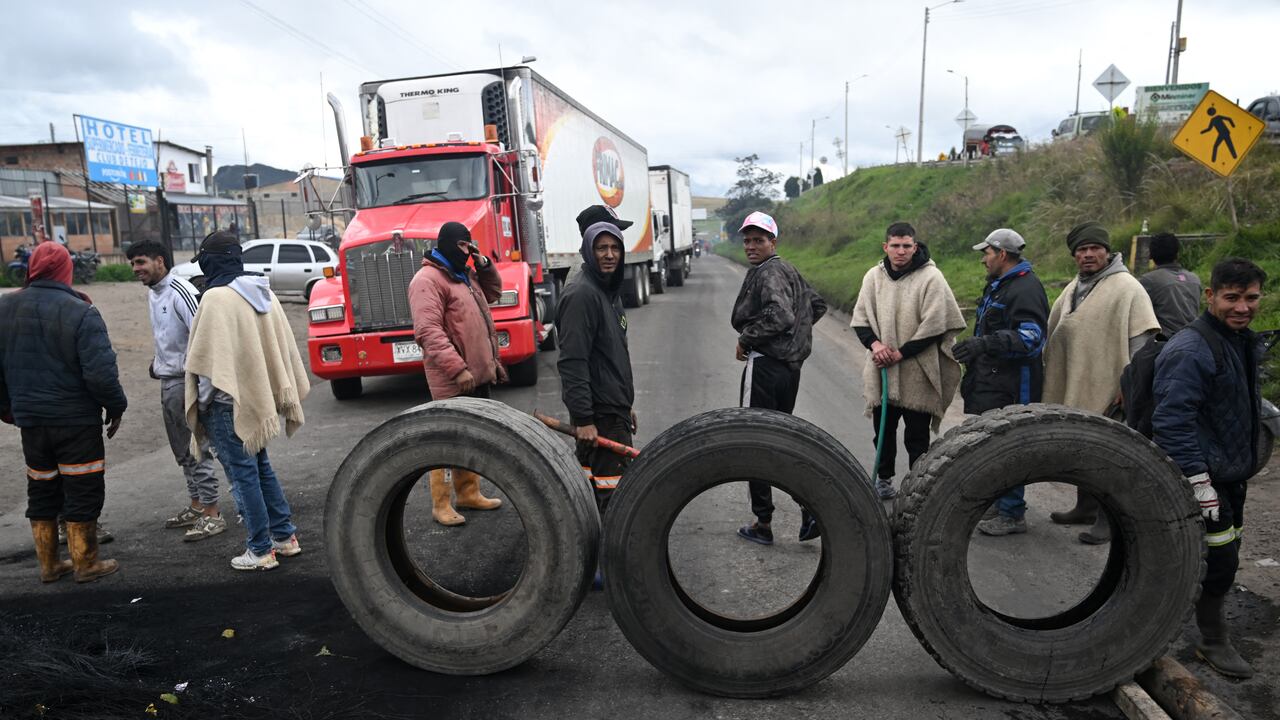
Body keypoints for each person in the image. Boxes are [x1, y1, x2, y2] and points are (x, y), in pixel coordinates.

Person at [1152, 258, 1265, 679]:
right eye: (1231, 298)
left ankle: (1189, 628)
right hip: (1206, 480)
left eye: (1251, 298)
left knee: (1224, 551)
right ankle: (1211, 640)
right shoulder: (1192, 348)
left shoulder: (1241, 341)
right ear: (1210, 296)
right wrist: (1200, 484)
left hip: (1232, 476)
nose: (1242, 307)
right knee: (1218, 561)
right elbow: (1171, 421)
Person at [0, 242, 126, 583]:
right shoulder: (82, 311)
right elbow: (100, 373)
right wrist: (116, 406)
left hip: (31, 422)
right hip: (75, 421)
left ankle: (50, 565)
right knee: (82, 487)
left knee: (42, 488)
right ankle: (85, 564)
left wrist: (8, 408)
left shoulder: (4, 307)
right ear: (66, 270)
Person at [184, 231, 310, 571]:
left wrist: (204, 405)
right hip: (259, 400)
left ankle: (259, 550)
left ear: (212, 261)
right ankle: (284, 538)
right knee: (261, 469)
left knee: (244, 476)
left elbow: (209, 365)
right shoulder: (261, 291)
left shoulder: (215, 298)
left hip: (228, 404)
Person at [1043, 222, 1159, 543]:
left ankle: (1110, 519)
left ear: (1108, 252)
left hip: (1115, 386)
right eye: (1082, 250)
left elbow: (1142, 341)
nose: (1089, 255)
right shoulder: (1076, 286)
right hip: (1082, 380)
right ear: (1074, 256)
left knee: (1109, 458)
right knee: (1084, 448)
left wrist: (1129, 385)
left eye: (1096, 249)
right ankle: (1085, 507)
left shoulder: (1127, 287)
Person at [731, 211, 828, 544]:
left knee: (754, 441)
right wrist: (793, 342)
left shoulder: (769, 271)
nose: (751, 246)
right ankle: (809, 507)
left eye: (758, 240)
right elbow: (816, 306)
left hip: (766, 367)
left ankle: (763, 523)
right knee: (780, 441)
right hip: (789, 369)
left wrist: (748, 338)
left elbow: (782, 314)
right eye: (747, 240)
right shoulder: (789, 269)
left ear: (773, 241)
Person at [850, 222, 965, 500]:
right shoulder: (873, 277)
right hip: (883, 369)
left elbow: (937, 323)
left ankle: (918, 486)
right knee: (883, 432)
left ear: (915, 246)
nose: (900, 251)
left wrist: (901, 353)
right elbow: (861, 319)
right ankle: (884, 480)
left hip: (918, 370)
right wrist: (877, 346)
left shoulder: (931, 277)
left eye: (906, 246)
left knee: (917, 436)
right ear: (885, 247)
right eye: (895, 246)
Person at [408, 221, 506, 526]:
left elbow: (493, 293)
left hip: (476, 375)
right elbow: (428, 331)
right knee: (448, 441)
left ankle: (468, 493)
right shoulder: (427, 280)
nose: (468, 250)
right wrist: (458, 369)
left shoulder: (465, 275)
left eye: (470, 245)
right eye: (464, 245)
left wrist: (484, 264)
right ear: (448, 243)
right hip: (455, 377)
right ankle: (441, 503)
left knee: (472, 437)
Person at [952, 229, 1049, 535]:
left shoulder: (1025, 289)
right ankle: (997, 501)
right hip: (993, 380)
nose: (984, 260)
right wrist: (976, 348)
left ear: (1002, 255)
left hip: (1014, 385)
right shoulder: (1000, 286)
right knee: (992, 445)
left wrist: (984, 345)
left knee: (1010, 446)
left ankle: (1012, 512)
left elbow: (1031, 339)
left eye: (987, 253)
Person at [127, 241, 224, 541]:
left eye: (141, 262)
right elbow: (169, 339)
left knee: (197, 449)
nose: (136, 269)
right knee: (182, 451)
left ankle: (213, 512)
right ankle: (196, 505)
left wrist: (204, 392)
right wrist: (158, 364)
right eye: (132, 264)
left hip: (187, 384)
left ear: (160, 261)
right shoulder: (154, 294)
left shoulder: (181, 291)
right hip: (168, 383)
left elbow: (204, 340)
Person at [557, 214, 637, 515]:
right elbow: (572, 362)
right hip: (599, 416)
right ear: (589, 250)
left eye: (615, 248)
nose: (609, 254)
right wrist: (584, 418)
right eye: (601, 248)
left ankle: (596, 557)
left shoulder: (605, 289)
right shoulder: (582, 294)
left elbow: (610, 358)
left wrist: (625, 404)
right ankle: (611, 560)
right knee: (613, 498)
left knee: (595, 491)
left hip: (611, 408)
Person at [1139, 232, 1202, 337]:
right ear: (1177, 254)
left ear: (1151, 255)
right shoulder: (1194, 279)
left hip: (1165, 344)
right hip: (1194, 339)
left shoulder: (1148, 280)